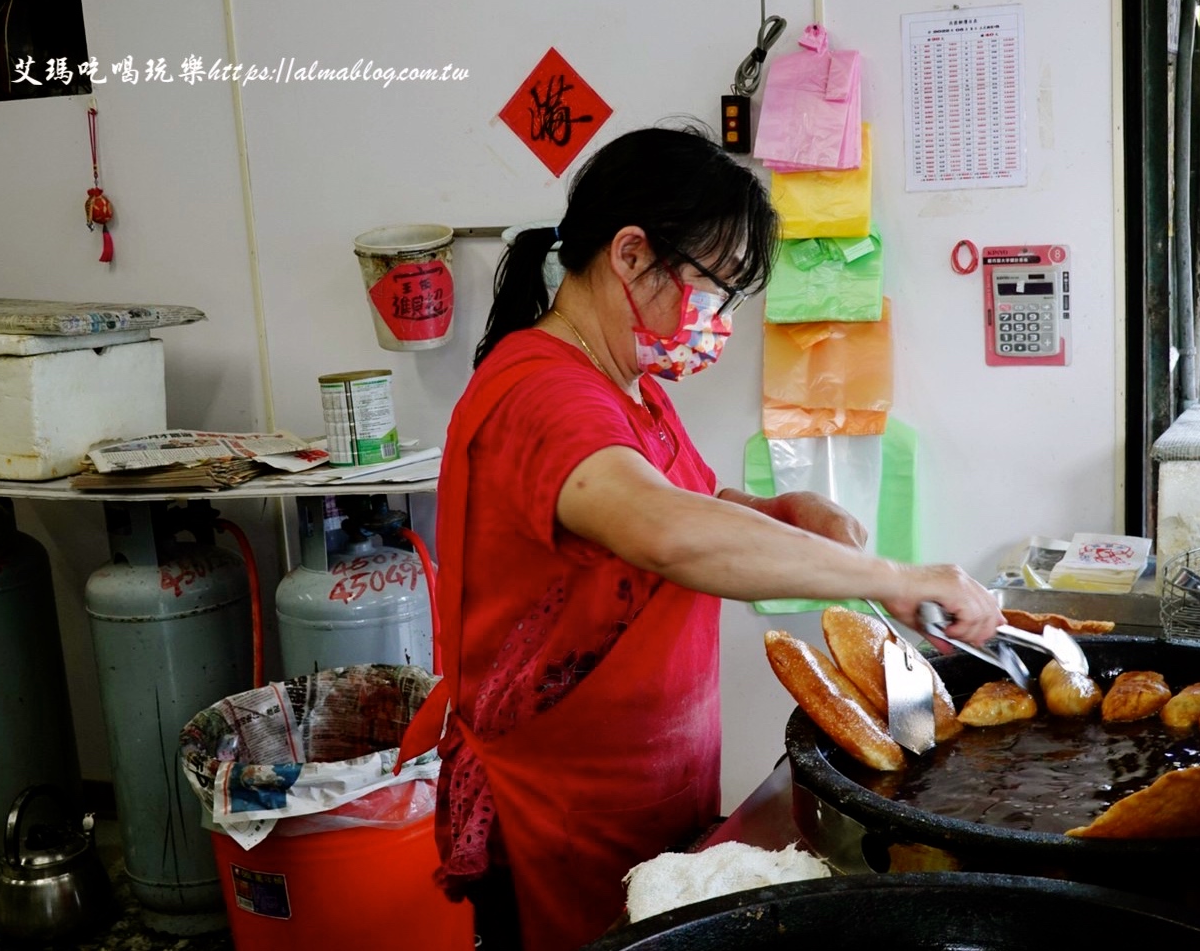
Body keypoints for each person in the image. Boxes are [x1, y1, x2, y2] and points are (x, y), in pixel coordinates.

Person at [395, 124, 1002, 951]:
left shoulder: (624, 384)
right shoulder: (539, 394)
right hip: (560, 815)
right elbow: (661, 530)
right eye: (712, 287)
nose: (715, 319)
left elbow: (683, 499)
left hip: (648, 790)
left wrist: (778, 508)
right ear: (632, 255)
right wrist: (888, 575)